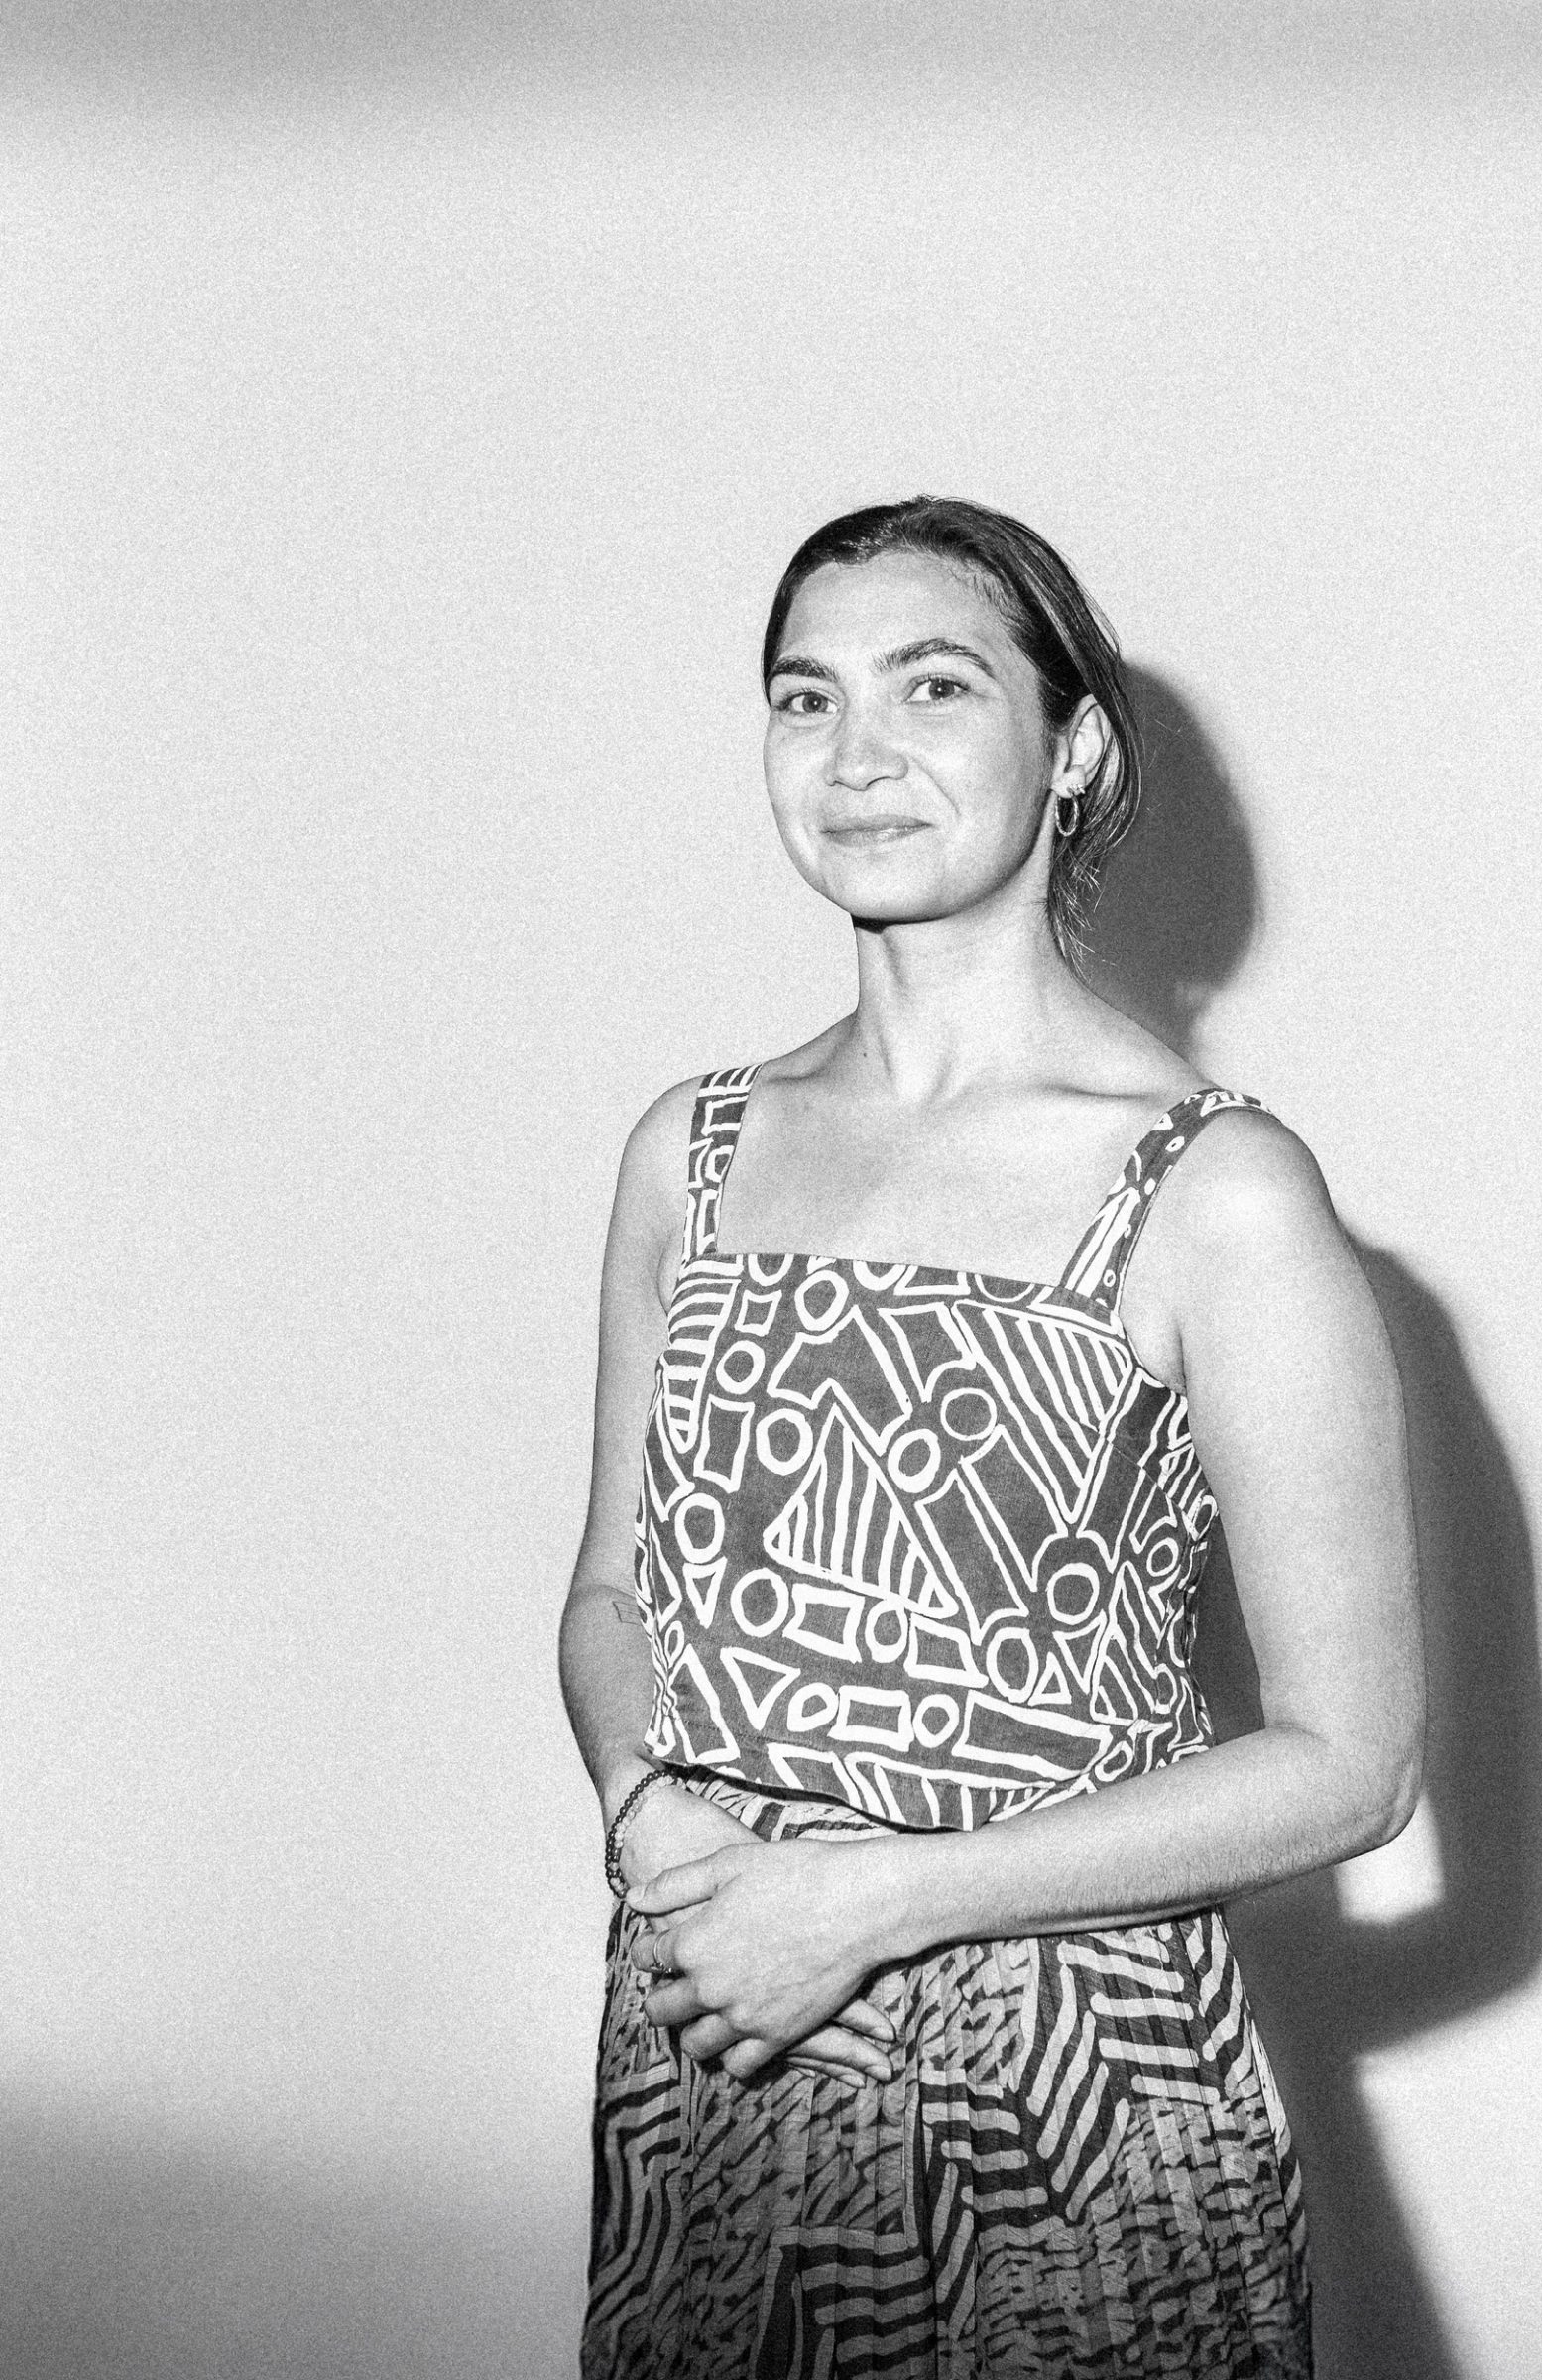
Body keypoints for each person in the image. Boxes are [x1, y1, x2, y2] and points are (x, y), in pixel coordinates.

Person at [559, 496, 1424, 2380]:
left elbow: (1351, 1769)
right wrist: (650, 1813)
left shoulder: (1215, 1190)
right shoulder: (686, 1156)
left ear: (1073, 749)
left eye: (931, 687)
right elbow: (617, 1593)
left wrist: (864, 1907)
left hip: (1079, 2114)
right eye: (805, 699)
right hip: (716, 2057)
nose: (856, 756)